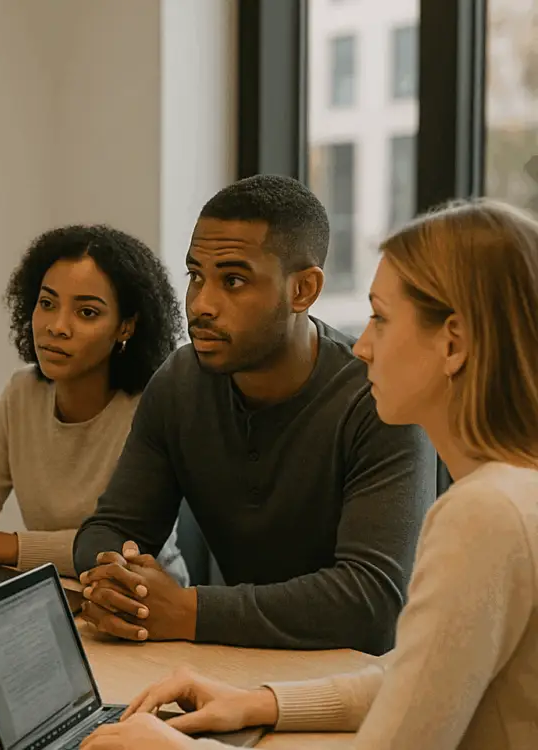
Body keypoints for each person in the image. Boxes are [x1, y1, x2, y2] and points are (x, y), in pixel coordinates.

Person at [84, 198, 538, 749]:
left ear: (454, 343)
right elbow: (412, 678)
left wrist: (171, 748)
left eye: (381, 318)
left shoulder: (484, 514)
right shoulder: (510, 494)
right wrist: (261, 702)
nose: (363, 346)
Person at [73, 175, 435, 654]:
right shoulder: (180, 383)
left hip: (374, 689)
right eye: (195, 275)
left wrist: (188, 610)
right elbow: (112, 527)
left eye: (234, 281)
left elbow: (372, 604)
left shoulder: (380, 400)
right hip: (241, 669)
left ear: (303, 290)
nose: (201, 305)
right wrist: (121, 580)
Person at [0, 225, 188, 582]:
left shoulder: (150, 409)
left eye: (87, 313)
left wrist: (13, 546)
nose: (57, 327)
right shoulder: (22, 393)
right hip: (53, 590)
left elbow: (129, 544)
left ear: (126, 327)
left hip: (140, 601)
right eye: (47, 304)